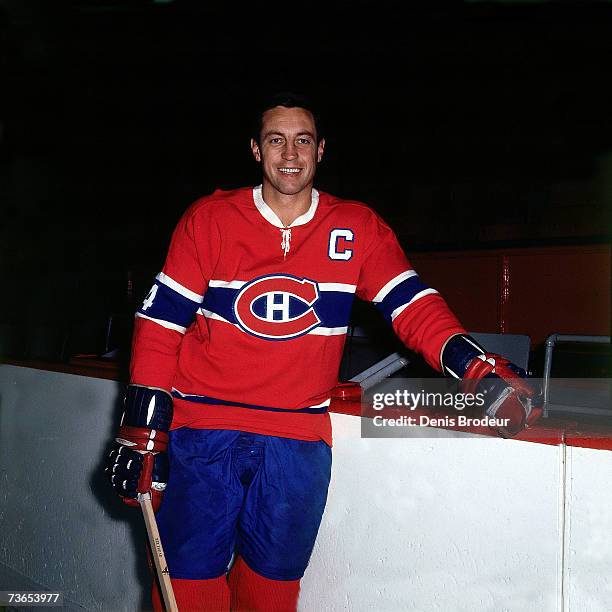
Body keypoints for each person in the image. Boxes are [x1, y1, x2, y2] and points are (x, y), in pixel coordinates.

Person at [105, 92, 539, 611]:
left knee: (272, 591)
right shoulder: (209, 220)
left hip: (297, 437)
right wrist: (142, 432)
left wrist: (475, 366)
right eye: (276, 140)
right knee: (187, 585)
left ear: (321, 150)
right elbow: (159, 324)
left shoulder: (356, 228)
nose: (290, 155)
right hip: (203, 431)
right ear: (255, 149)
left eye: (303, 141)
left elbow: (411, 306)